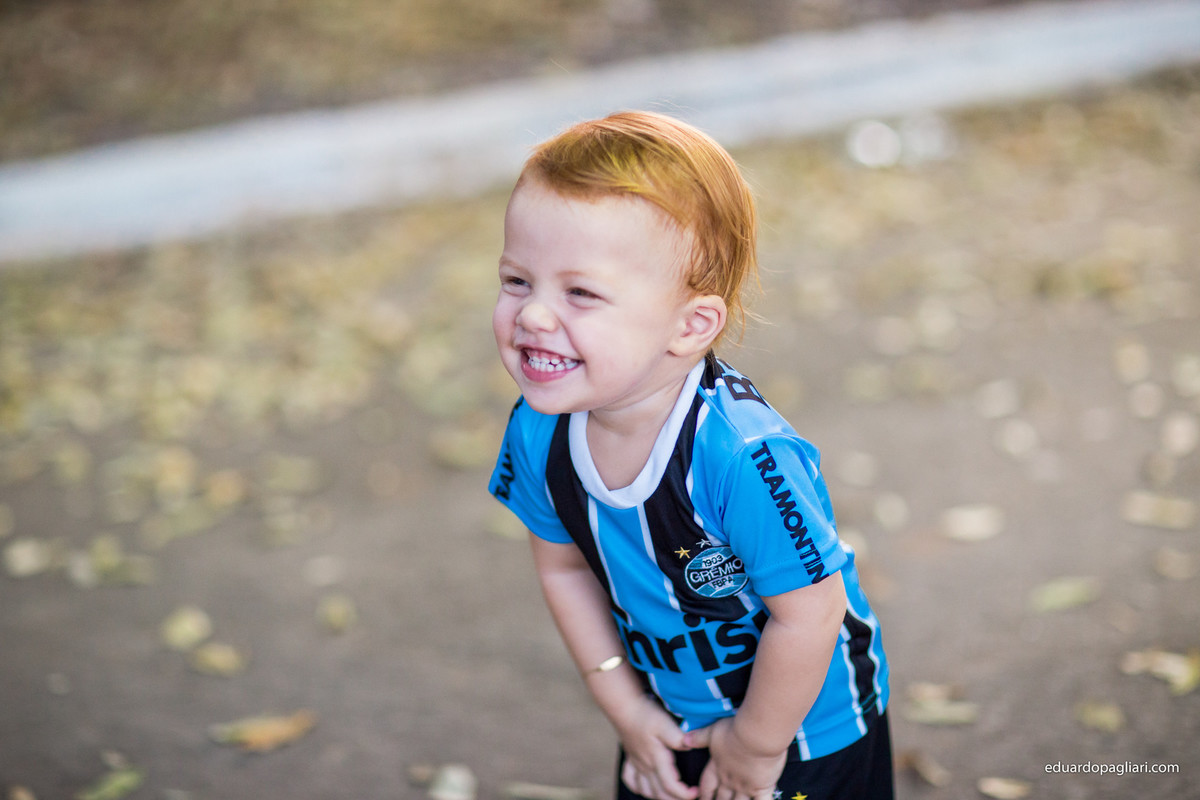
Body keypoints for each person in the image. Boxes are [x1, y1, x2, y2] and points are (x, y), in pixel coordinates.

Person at [488, 110, 892, 800]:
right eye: (518, 281)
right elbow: (562, 570)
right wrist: (626, 711)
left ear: (690, 325)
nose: (531, 316)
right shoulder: (538, 431)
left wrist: (756, 746)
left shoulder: (742, 456)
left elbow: (811, 613)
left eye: (580, 293)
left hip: (803, 733)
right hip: (664, 724)